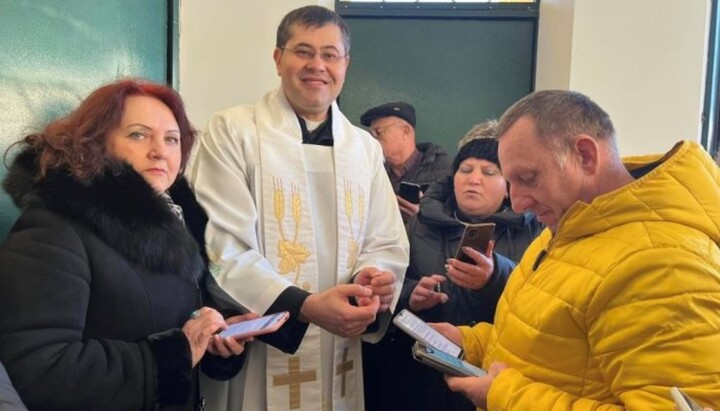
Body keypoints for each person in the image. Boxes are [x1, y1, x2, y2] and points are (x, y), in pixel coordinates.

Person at [433, 90, 720, 410]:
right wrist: (470, 343)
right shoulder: (567, 224)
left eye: (528, 178)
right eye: (511, 183)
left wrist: (505, 395)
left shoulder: (663, 266)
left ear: (584, 155)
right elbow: (553, 345)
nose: (517, 202)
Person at [188, 5, 409, 411]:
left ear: (346, 64)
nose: (317, 66)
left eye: (330, 54)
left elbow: (386, 240)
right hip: (260, 348)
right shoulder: (233, 132)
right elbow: (222, 247)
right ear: (278, 59)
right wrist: (303, 307)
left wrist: (373, 280)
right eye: (303, 51)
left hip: (339, 350)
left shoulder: (364, 148)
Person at [0, 79, 255, 410]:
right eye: (138, 134)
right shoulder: (53, 229)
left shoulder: (177, 225)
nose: (160, 150)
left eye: (172, 139)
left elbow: (170, 323)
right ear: (96, 143)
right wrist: (178, 351)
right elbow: (39, 369)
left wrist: (213, 339)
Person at [363, 136, 542, 411]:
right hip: (420, 374)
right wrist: (413, 293)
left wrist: (494, 277)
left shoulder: (534, 231)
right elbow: (396, 278)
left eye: (489, 172)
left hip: (495, 375)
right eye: (466, 170)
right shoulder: (421, 224)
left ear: (507, 187)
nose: (474, 179)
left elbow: (540, 298)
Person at [360, 101, 453, 221]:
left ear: (405, 131)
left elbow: (461, 225)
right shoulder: (371, 173)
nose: (373, 141)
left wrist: (423, 219)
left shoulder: (447, 171)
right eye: (371, 136)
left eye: (378, 133)